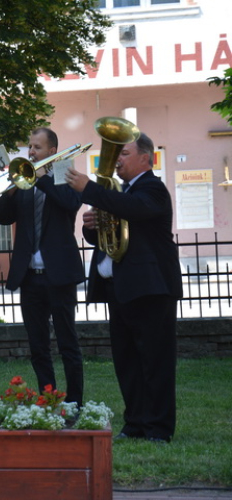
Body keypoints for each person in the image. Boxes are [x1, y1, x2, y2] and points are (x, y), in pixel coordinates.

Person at [64, 132, 182, 443]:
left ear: (148, 158)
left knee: (155, 361)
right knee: (127, 360)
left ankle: (159, 428)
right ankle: (136, 423)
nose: (117, 159)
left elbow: (134, 209)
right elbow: (106, 238)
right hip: (121, 287)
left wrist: (90, 189)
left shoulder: (152, 190)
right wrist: (92, 227)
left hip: (151, 288)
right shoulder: (120, 194)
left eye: (124, 154)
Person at [0, 128, 85, 407]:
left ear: (52, 151)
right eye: (30, 147)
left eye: (37, 147)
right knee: (38, 346)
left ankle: (75, 402)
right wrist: (8, 190)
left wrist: (42, 179)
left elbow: (70, 203)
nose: (31, 152)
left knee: (68, 343)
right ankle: (49, 398)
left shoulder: (65, 174)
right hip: (30, 276)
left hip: (60, 274)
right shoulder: (23, 181)